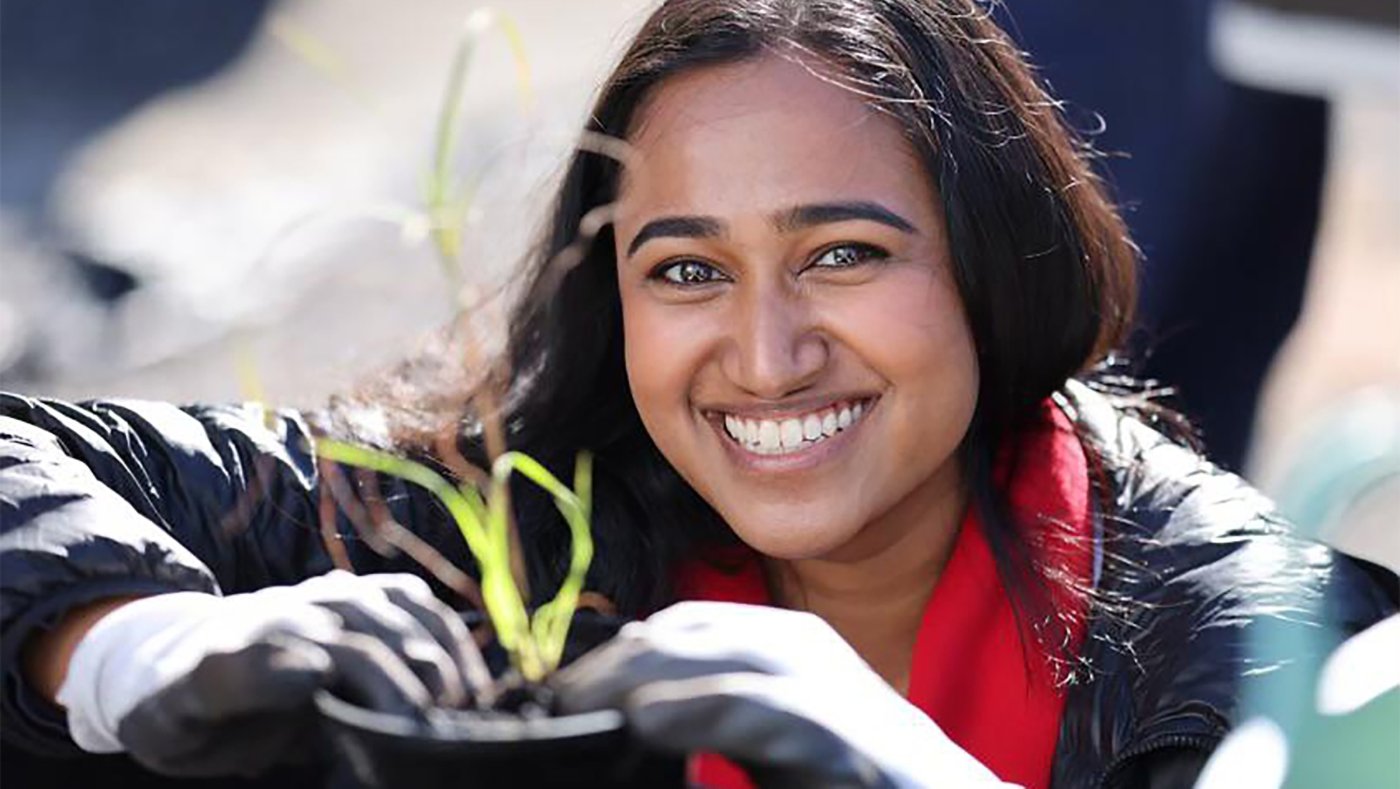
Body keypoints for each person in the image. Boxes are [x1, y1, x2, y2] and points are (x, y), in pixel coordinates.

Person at [1, 1, 1395, 788]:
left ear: (992, 258)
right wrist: (132, 645)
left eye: (842, 253)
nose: (767, 351)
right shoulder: (524, 513)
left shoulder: (1270, 643)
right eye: (686, 270)